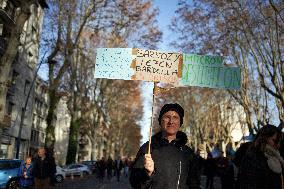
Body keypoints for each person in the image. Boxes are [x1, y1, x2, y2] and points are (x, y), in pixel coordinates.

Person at [129, 103, 200, 189]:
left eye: (175, 117)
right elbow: (135, 183)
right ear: (160, 121)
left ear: (180, 122)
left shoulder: (188, 153)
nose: (171, 121)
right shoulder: (147, 149)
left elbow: (194, 184)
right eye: (167, 117)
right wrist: (147, 173)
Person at [238, 124, 284, 189]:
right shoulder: (252, 157)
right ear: (264, 138)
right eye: (275, 140)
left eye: (279, 141)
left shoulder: (277, 158)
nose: (277, 145)